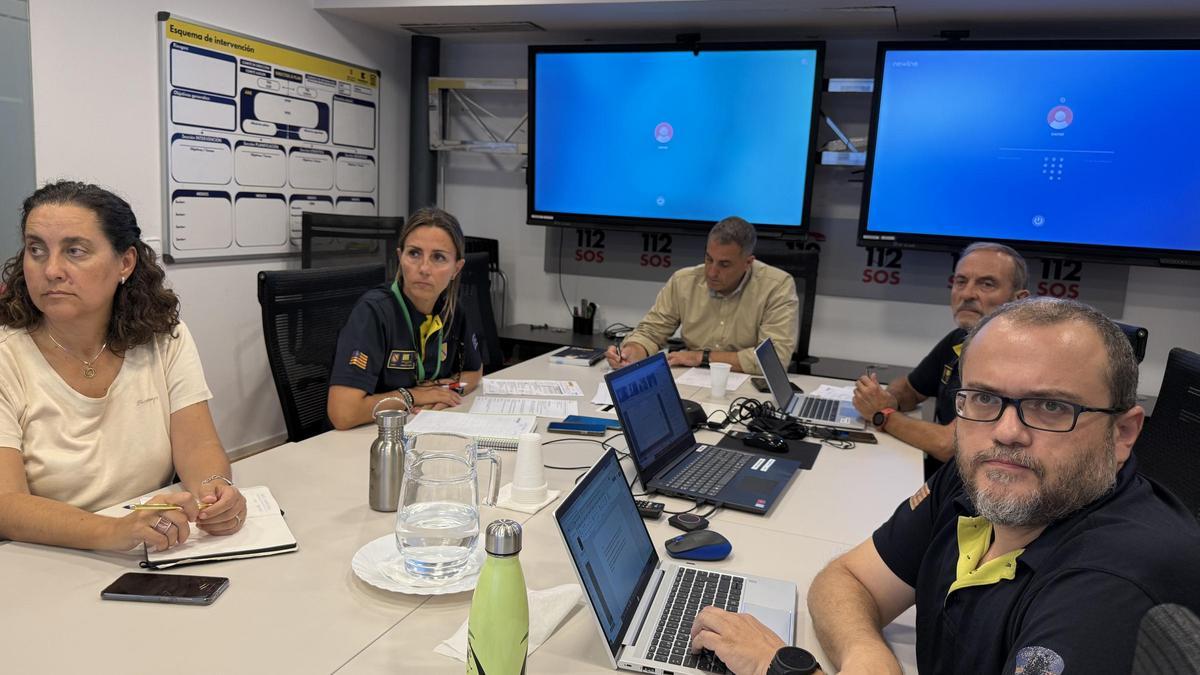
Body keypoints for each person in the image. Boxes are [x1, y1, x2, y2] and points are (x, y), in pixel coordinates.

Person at [689, 297, 1200, 674]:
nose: (1006, 432)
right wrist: (868, 654)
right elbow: (849, 580)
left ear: (1123, 434)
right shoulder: (979, 478)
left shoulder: (1111, 583)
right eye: (983, 399)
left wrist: (775, 667)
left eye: (1051, 407)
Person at [0, 181, 245, 553]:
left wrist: (215, 490)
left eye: (75, 251)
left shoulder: (164, 337)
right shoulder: (7, 354)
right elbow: (7, 503)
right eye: (36, 250)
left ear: (125, 263)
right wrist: (114, 531)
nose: (51, 270)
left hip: (154, 544)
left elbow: (198, 444)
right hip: (48, 556)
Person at [853, 242, 1029, 476]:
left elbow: (949, 445)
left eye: (987, 284)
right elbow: (911, 389)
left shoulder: (1016, 359)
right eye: (961, 281)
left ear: (1018, 300)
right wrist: (889, 399)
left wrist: (882, 415)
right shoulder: (961, 338)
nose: (967, 294)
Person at [327, 207, 483, 429]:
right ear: (400, 257)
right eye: (414, 253)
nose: (424, 268)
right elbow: (343, 413)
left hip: (420, 426)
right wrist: (413, 396)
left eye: (438, 257)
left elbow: (475, 371)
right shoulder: (374, 312)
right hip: (366, 437)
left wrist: (444, 393)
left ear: (456, 269)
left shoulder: (452, 309)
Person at [604, 216, 798, 375]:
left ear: (748, 262)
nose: (712, 272)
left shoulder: (777, 286)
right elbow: (651, 332)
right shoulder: (684, 281)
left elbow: (775, 359)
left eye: (724, 264)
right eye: (708, 259)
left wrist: (702, 357)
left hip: (746, 386)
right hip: (691, 380)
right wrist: (633, 351)